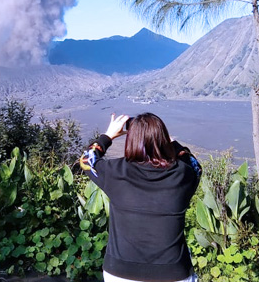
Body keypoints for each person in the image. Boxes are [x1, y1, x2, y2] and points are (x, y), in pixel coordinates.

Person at [80, 113, 201, 282]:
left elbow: (86, 161)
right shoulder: (183, 174)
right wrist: (171, 143)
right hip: (173, 272)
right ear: (163, 139)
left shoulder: (115, 172)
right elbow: (194, 164)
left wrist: (107, 137)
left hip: (120, 273)